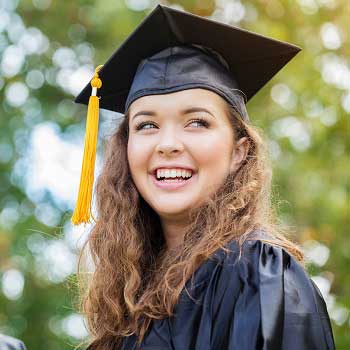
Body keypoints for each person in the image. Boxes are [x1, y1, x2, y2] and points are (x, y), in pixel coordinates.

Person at [71, 4, 335, 350]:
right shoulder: (126, 301)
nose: (167, 145)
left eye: (197, 122)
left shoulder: (258, 274)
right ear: (126, 148)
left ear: (239, 152)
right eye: (147, 125)